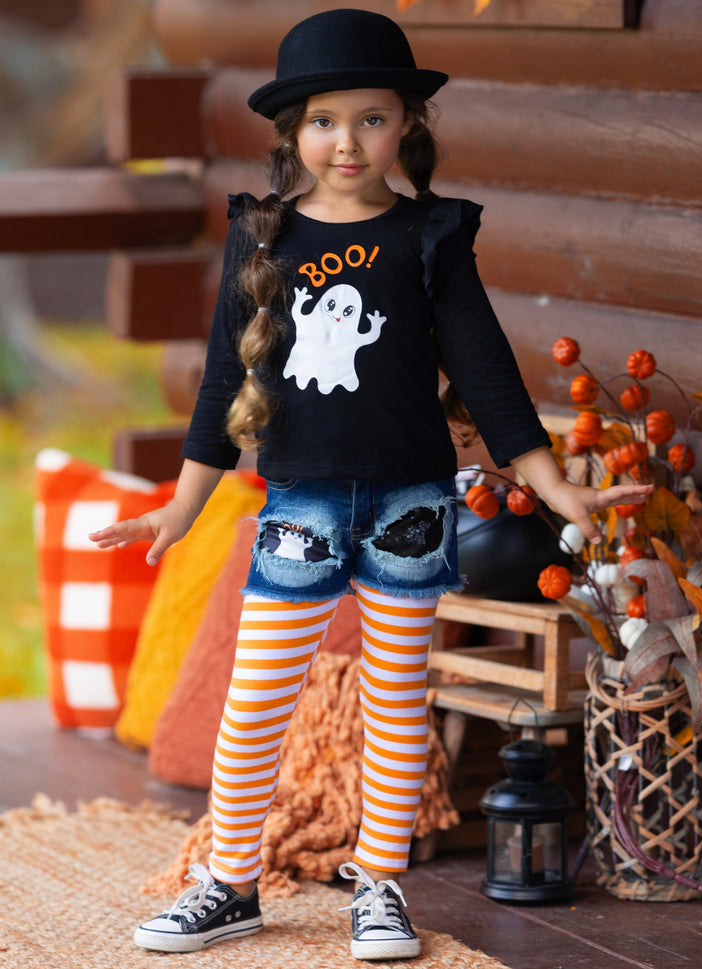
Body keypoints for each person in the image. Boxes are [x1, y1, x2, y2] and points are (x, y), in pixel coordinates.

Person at [90, 8, 652, 961]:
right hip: (299, 506)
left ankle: (380, 887)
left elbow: (487, 372)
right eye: (323, 121)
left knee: (394, 701)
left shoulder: (432, 235)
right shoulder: (261, 236)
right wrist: (181, 506)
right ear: (293, 133)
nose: (345, 142)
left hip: (411, 506)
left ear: (407, 126)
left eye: (371, 118)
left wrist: (556, 488)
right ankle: (230, 883)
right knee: (257, 697)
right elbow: (225, 381)